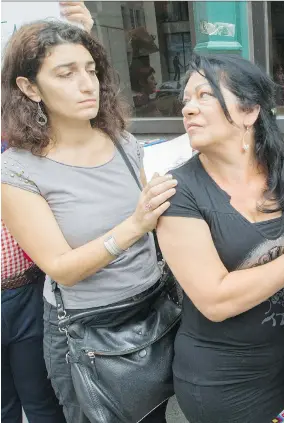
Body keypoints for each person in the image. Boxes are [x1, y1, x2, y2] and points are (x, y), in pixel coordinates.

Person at [1, 20, 176, 423]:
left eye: (90, 70)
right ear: (29, 88)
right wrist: (135, 225)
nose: (87, 84)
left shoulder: (123, 142)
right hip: (88, 332)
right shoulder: (17, 171)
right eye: (65, 73)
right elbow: (61, 268)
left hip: (151, 314)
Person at [157, 54, 284, 423]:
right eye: (186, 99)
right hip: (217, 383)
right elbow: (214, 299)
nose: (188, 109)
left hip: (280, 372)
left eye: (204, 96)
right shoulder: (178, 192)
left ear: (250, 113)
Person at [1, 4, 91, 423]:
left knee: (43, 402)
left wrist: (80, 33)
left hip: (24, 288)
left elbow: (66, 98)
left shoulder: (15, 133)